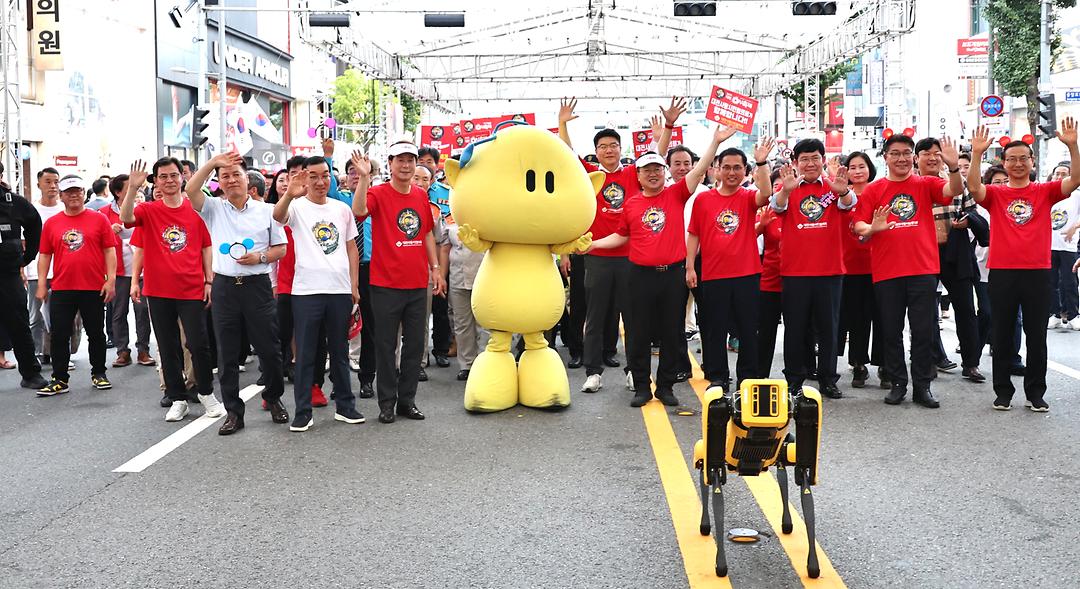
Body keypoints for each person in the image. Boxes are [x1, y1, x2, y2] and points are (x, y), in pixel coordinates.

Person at [590, 125, 731, 407]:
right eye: (647, 170)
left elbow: (699, 168)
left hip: (672, 275)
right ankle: (642, 385)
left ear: (664, 173)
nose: (653, 174)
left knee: (671, 332)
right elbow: (621, 236)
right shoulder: (631, 203)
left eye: (657, 169)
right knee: (639, 333)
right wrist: (592, 245)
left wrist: (714, 142)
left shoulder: (676, 194)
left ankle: (665, 386)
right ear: (638, 176)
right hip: (639, 276)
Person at [559, 96, 681, 392]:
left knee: (634, 318)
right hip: (598, 255)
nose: (609, 150)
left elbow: (658, 155)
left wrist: (668, 125)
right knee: (595, 315)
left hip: (632, 257)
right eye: (603, 146)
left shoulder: (632, 174)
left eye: (613, 145)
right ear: (596, 152)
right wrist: (562, 123)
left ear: (620, 149)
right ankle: (593, 371)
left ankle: (633, 371)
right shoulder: (589, 175)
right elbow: (566, 154)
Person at [968, 120, 1080, 412]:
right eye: (1011, 159)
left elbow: (1075, 180)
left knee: (1036, 335)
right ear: (1004, 164)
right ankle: (1003, 391)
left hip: (1038, 273)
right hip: (1003, 272)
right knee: (1003, 334)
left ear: (1032, 162)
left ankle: (1035, 392)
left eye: (1023, 159)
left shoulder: (1045, 191)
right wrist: (977, 153)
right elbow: (973, 188)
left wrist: (1071, 145)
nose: (1017, 164)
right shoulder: (997, 194)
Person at [854, 134, 965, 408]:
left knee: (923, 330)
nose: (901, 158)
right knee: (891, 331)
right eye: (895, 153)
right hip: (887, 271)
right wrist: (873, 229)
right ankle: (897, 383)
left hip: (923, 269)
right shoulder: (873, 190)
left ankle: (922, 386)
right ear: (885, 157)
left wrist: (952, 167)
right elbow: (859, 226)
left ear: (913, 157)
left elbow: (954, 191)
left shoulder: (925, 183)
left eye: (906, 153)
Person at [186, 152, 290, 434]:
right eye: (225, 176)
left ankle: (274, 397)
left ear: (249, 180)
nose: (231, 180)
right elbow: (190, 189)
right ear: (219, 182)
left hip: (257, 286)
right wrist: (212, 163)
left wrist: (261, 258)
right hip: (225, 287)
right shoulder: (213, 208)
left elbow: (281, 248)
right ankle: (233, 411)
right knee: (227, 353)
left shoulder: (267, 210)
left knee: (269, 348)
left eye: (236, 175)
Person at [121, 158, 225, 422]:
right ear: (155, 181)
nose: (169, 180)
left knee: (198, 344)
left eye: (174, 175)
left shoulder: (195, 210)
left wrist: (208, 280)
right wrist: (133, 188)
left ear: (182, 178)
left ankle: (206, 393)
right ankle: (178, 399)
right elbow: (126, 219)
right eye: (163, 176)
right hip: (158, 290)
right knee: (167, 347)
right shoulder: (148, 210)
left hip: (191, 288)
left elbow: (206, 246)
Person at [351, 142, 446, 424]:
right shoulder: (378, 193)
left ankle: (407, 401)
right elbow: (358, 211)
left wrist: (436, 268)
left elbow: (427, 233)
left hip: (417, 283)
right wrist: (364, 177)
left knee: (415, 345)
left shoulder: (420, 195)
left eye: (410, 160)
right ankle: (387, 402)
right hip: (385, 284)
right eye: (400, 160)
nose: (405, 166)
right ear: (390, 163)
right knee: (385, 345)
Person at [273, 155, 365, 432]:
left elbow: (350, 247)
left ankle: (346, 406)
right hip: (307, 290)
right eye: (313, 176)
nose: (320, 181)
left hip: (339, 289)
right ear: (304, 178)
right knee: (306, 353)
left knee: (339, 350)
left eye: (325, 175)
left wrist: (354, 285)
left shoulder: (341, 208)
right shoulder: (297, 207)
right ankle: (302, 411)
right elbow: (278, 217)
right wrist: (289, 193)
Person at [771, 138, 857, 399]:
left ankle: (828, 378)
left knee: (829, 328)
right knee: (795, 328)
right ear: (796, 163)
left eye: (815, 158)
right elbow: (777, 206)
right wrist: (786, 190)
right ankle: (794, 379)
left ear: (823, 160)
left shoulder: (833, 189)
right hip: (795, 272)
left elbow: (849, 203)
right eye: (804, 159)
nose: (810, 163)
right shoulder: (789, 188)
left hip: (830, 271)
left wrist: (842, 191)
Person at [685, 137, 773, 393]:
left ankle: (747, 376)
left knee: (747, 329)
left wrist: (762, 162)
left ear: (745, 171)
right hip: (713, 275)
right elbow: (694, 234)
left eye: (737, 167)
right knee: (714, 330)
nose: (732, 172)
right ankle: (718, 376)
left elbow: (766, 193)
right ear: (716, 169)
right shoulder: (703, 200)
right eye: (727, 167)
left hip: (747, 274)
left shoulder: (747, 197)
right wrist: (690, 267)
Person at [35, 175, 117, 395]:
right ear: (61, 196)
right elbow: (44, 255)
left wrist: (111, 280)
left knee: (96, 333)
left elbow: (110, 249)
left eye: (78, 191)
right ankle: (59, 379)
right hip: (62, 287)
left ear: (84, 193)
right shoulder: (52, 223)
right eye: (69, 192)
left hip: (93, 286)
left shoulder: (99, 220)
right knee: (59, 334)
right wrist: (42, 283)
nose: (74, 195)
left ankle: (99, 373)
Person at [918, 138, 988, 383]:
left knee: (966, 309)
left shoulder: (957, 183)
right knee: (924, 311)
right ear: (917, 158)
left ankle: (971, 363)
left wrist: (968, 221)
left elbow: (974, 212)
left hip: (956, 252)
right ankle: (932, 357)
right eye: (926, 153)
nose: (933, 158)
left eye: (937, 153)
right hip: (923, 253)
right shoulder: (912, 185)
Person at [0, 162, 48, 389]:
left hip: (6, 274)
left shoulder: (13, 203)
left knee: (19, 323)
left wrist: (27, 258)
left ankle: (30, 373)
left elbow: (35, 225)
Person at [837, 152, 882, 388]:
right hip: (850, 265)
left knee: (884, 317)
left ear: (870, 169)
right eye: (852, 167)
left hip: (881, 264)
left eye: (861, 166)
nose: (857, 171)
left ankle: (885, 364)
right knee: (857, 319)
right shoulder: (841, 197)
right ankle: (858, 364)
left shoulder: (880, 193)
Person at [100, 174, 154, 368]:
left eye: (137, 188)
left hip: (142, 270)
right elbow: (97, 241)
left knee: (142, 311)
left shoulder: (142, 210)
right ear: (117, 192)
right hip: (119, 272)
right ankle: (122, 351)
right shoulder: (103, 213)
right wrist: (108, 229)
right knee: (118, 312)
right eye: (130, 187)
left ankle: (143, 350)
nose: (136, 190)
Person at [443, 200, 486, 381]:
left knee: (485, 322)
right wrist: (441, 275)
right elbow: (445, 248)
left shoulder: (488, 216)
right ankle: (466, 365)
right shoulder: (450, 218)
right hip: (458, 276)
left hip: (483, 274)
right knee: (462, 323)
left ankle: (485, 362)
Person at [26, 168, 65, 364]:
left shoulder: (64, 209)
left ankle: (58, 355)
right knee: (36, 317)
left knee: (60, 317)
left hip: (62, 271)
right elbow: (24, 242)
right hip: (35, 271)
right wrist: (22, 269)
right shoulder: (31, 210)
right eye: (48, 182)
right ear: (39, 184)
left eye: (56, 182)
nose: (53, 186)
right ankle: (37, 355)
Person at [1047, 163, 1080, 330]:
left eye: (1063, 174)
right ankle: (1055, 314)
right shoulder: (1047, 192)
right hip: (1049, 245)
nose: (1059, 177)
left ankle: (1074, 314)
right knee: (1050, 282)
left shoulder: (1076, 195)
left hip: (1069, 246)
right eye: (1056, 174)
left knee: (1070, 281)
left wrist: (1074, 227)